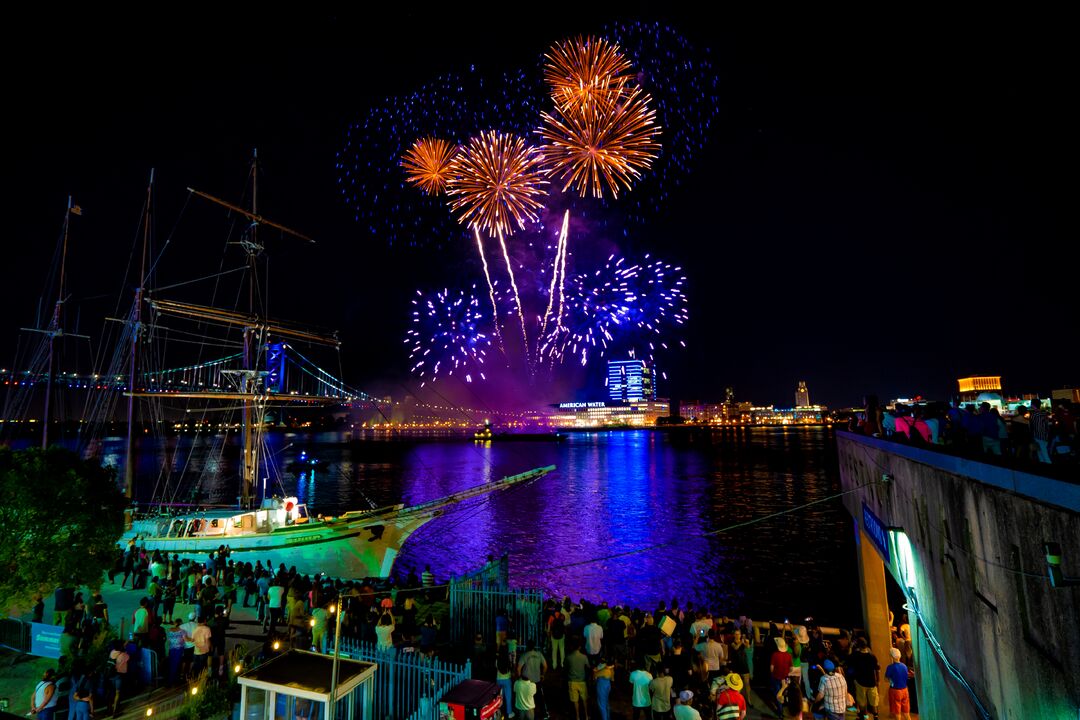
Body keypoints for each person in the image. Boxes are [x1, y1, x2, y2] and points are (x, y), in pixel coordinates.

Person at [849, 638, 880, 720]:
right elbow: (877, 669)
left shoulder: (856, 655)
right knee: (874, 702)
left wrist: (851, 647)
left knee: (862, 702)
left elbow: (849, 659)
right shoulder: (872, 656)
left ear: (858, 646)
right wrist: (878, 681)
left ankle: (865, 717)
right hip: (872, 683)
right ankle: (875, 717)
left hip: (860, 682)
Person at [565, 638, 590, 720]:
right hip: (582, 681)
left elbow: (565, 667)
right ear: (579, 647)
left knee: (575, 701)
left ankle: (577, 716)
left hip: (572, 681)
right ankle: (586, 716)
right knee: (584, 699)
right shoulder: (584, 657)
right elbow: (588, 667)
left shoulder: (569, 657)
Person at [884, 647, 912, 720]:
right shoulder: (904, 666)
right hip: (905, 690)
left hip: (895, 691)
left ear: (892, 657)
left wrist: (891, 680)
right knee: (906, 712)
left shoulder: (890, 667)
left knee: (897, 712)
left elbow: (886, 679)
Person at [496, 646, 514, 719]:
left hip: (499, 679)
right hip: (507, 679)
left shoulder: (497, 659)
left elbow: (496, 667)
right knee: (508, 697)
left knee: (500, 697)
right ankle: (509, 713)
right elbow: (511, 668)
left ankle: (499, 712)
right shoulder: (508, 659)